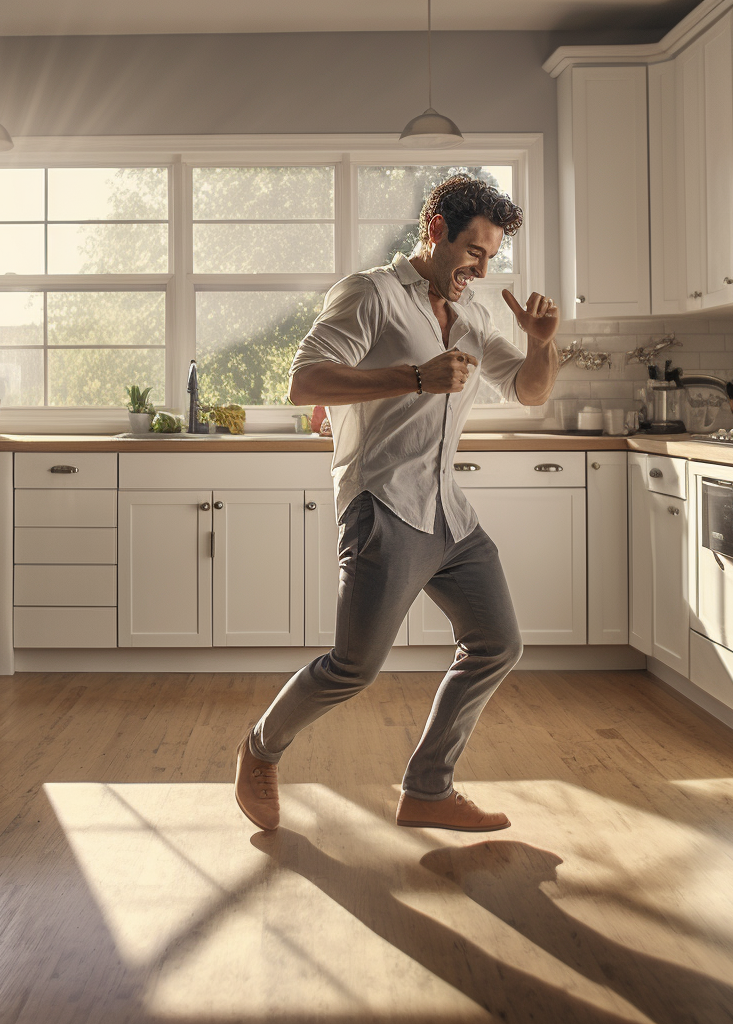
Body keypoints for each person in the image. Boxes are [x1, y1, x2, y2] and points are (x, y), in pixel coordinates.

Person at [235, 174, 561, 833]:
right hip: (382, 506)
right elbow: (305, 383)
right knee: (353, 667)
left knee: (498, 643)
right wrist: (416, 376)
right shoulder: (372, 294)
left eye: (492, 256)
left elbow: (528, 390)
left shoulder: (472, 315)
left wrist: (543, 343)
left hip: (449, 512)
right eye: (475, 250)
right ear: (436, 229)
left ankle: (427, 790)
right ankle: (260, 749)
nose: (482, 267)